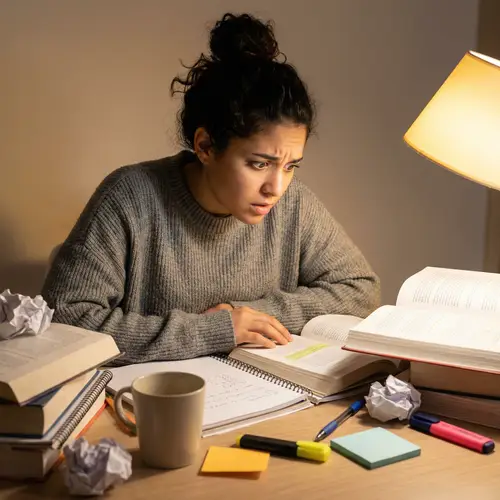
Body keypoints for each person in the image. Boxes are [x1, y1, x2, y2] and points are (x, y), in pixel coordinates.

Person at [42, 12, 380, 366]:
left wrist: (250, 314)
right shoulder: (129, 197)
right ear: (205, 146)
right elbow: (66, 323)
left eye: (291, 166)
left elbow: (360, 290)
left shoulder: (293, 204)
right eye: (259, 164)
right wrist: (216, 329)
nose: (276, 188)